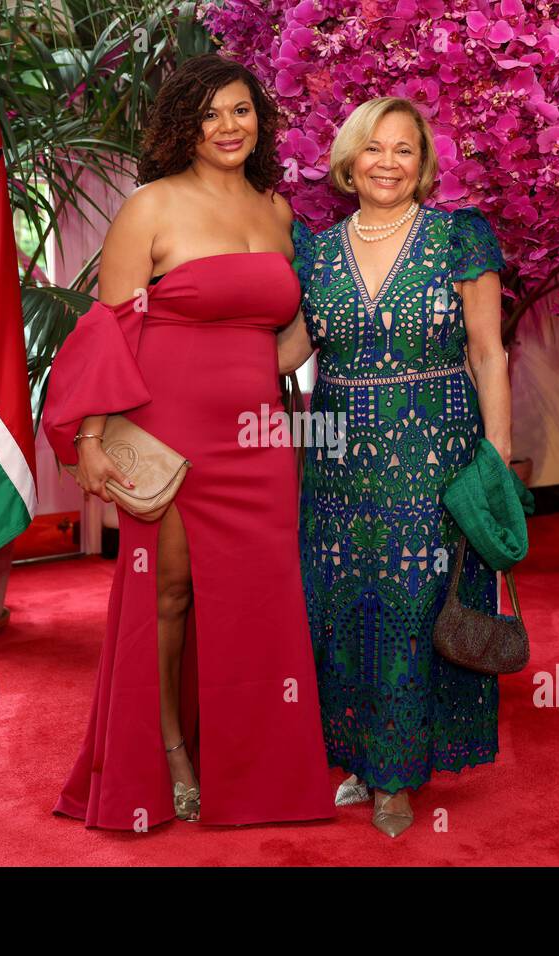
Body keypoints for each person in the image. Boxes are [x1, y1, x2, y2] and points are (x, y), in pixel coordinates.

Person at [43, 54, 335, 829]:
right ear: (185, 126)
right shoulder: (151, 208)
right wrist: (95, 441)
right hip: (166, 428)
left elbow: (286, 333)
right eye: (210, 115)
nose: (228, 127)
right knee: (167, 595)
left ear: (260, 121)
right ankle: (169, 748)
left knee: (260, 600)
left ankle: (254, 769)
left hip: (261, 436)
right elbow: (110, 330)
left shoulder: (277, 212)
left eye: (241, 111)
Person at [278, 96, 512, 838]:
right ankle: (355, 756)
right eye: (374, 148)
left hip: (435, 451)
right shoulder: (313, 250)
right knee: (344, 606)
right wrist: (191, 347)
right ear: (349, 161)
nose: (388, 162)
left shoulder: (458, 238)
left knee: (415, 605)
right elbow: (288, 351)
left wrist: (497, 461)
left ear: (424, 163)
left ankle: (397, 777)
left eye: (404, 150)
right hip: (340, 458)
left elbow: (488, 352)